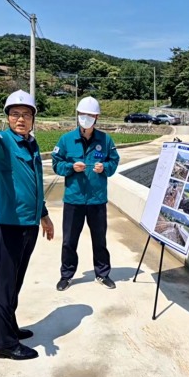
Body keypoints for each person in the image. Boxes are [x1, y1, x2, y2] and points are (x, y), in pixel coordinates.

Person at [0, 90, 54, 361]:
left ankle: (10, 327)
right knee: (4, 284)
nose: (21, 119)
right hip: (9, 224)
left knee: (15, 281)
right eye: (15, 114)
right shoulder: (3, 142)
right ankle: (4, 343)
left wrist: (44, 214)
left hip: (29, 223)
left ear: (33, 119)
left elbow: (35, 182)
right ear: (7, 118)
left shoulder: (31, 143)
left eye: (26, 114)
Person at [51, 96, 120, 292]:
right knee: (69, 240)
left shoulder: (105, 140)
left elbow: (114, 161)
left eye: (90, 115)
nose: (85, 118)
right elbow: (56, 163)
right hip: (74, 199)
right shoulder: (66, 140)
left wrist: (104, 167)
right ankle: (66, 275)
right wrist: (71, 167)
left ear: (96, 117)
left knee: (100, 239)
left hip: (97, 199)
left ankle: (102, 273)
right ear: (78, 115)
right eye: (82, 114)